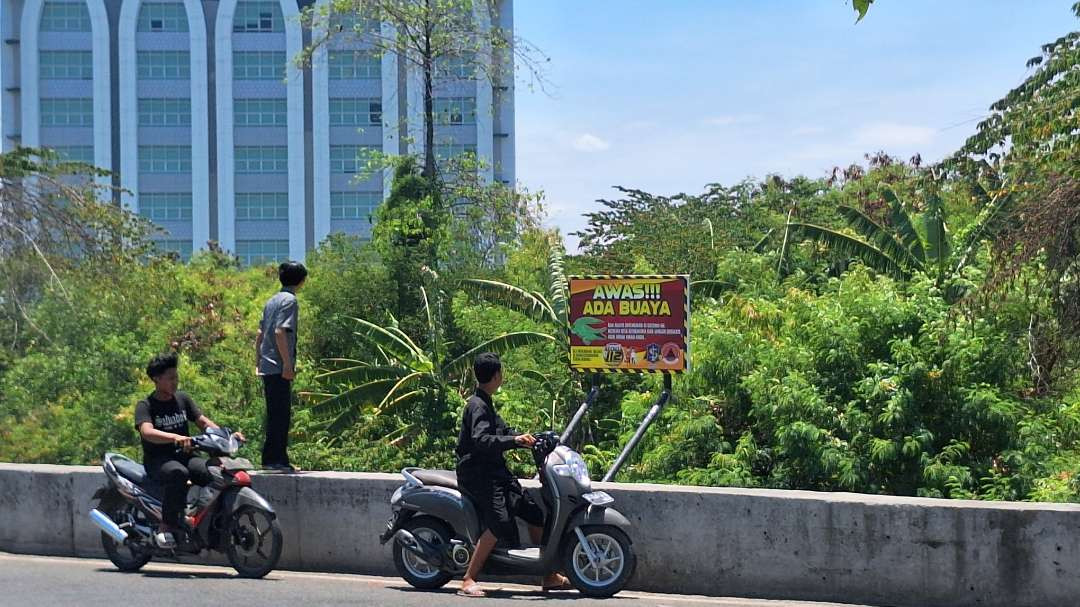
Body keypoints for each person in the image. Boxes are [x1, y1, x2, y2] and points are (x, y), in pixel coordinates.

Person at [455, 352, 570, 598]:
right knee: (500, 522)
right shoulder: (477, 406)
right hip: (479, 474)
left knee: (534, 513)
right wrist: (513, 441)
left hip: (495, 471)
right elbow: (481, 439)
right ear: (497, 375)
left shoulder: (486, 401)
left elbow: (503, 429)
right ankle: (468, 579)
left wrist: (528, 438)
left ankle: (547, 574)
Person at [135, 352, 242, 548]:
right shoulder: (146, 405)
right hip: (159, 461)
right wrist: (176, 437)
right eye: (170, 378)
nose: (175, 382)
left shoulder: (182, 399)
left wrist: (225, 436)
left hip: (185, 455)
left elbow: (202, 422)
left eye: (176, 377)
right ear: (157, 380)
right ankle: (165, 526)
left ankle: (201, 521)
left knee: (213, 473)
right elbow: (147, 432)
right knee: (178, 473)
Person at [255, 260, 307, 473]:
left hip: (267, 365)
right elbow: (280, 332)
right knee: (281, 414)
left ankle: (272, 458)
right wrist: (287, 364)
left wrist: (257, 360)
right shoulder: (289, 301)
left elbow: (260, 335)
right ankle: (276, 460)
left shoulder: (272, 300)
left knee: (274, 413)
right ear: (302, 281)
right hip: (278, 366)